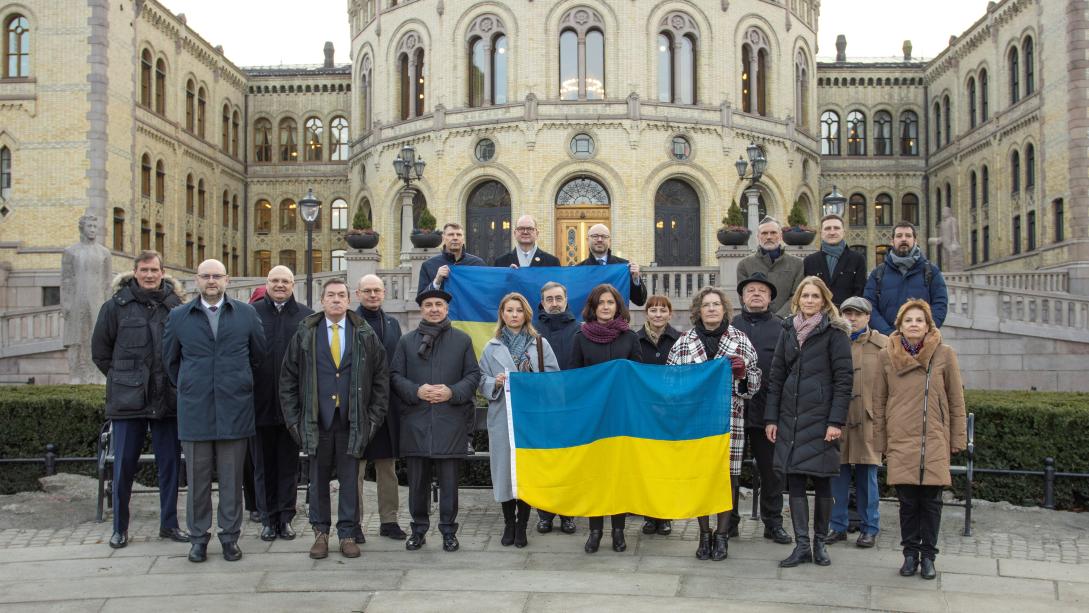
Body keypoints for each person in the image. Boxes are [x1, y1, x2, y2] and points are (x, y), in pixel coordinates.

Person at [163, 259, 266, 563]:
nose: (211, 281)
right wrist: (192, 385)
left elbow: (258, 357)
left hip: (235, 409)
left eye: (217, 276)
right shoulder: (179, 317)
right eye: (206, 276)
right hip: (196, 410)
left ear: (227, 280)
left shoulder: (246, 314)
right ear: (196, 280)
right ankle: (198, 538)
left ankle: (230, 538)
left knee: (233, 481)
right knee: (197, 480)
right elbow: (170, 361)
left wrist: (237, 382)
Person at [279, 278, 390, 560]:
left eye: (341, 295)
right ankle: (320, 533)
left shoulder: (363, 333)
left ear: (349, 299)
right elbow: (288, 379)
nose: (337, 300)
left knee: (351, 480)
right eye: (331, 295)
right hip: (318, 420)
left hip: (352, 420)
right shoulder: (306, 333)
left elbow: (380, 378)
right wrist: (295, 421)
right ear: (322, 300)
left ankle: (348, 534)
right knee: (317, 480)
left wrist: (373, 419)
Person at [91, 250, 186, 549]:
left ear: (162, 272)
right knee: (123, 468)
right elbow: (101, 352)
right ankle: (120, 528)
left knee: (170, 466)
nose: (148, 275)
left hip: (167, 398)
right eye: (143, 270)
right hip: (128, 401)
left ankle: (169, 524)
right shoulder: (115, 307)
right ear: (134, 272)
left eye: (154, 270)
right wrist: (126, 379)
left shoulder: (176, 307)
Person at [873, 299, 966, 581]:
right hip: (901, 438)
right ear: (900, 325)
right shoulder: (886, 356)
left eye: (919, 320)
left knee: (932, 502)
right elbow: (879, 400)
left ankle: (929, 556)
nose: (914, 324)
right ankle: (910, 554)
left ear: (928, 326)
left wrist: (957, 437)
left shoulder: (944, 354)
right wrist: (881, 440)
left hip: (934, 437)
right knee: (908, 502)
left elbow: (955, 399)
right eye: (908, 320)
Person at [666, 287, 760, 561]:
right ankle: (704, 534)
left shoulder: (740, 340)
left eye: (716, 304)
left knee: (728, 480)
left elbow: (754, 383)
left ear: (724, 309)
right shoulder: (684, 342)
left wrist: (743, 375)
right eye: (706, 305)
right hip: (696, 422)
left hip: (730, 420)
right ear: (698, 310)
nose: (711, 309)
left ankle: (722, 535)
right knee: (700, 480)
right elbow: (671, 383)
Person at [764, 276, 852, 568]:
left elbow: (843, 381)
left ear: (825, 301)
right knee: (796, 480)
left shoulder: (835, 332)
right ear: (798, 299)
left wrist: (835, 421)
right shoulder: (787, 329)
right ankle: (801, 544)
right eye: (805, 296)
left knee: (823, 481)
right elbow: (776, 375)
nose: (810, 301)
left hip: (822, 417)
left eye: (816, 296)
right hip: (791, 416)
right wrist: (771, 417)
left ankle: (819, 544)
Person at [391, 289, 481, 552]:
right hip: (416, 422)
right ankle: (418, 530)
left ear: (446, 308)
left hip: (450, 421)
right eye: (428, 305)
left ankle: (448, 532)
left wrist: (451, 392)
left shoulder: (462, 340)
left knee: (449, 483)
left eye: (438, 304)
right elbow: (395, 376)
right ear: (422, 309)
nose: (433, 309)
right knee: (416, 483)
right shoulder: (407, 341)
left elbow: (473, 375)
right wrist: (416, 391)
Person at [478, 292, 560, 548]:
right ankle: (508, 524)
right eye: (509, 310)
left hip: (531, 418)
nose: (514, 315)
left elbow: (554, 379)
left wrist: (533, 376)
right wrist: (496, 382)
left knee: (524, 472)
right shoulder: (491, 348)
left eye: (518, 310)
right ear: (502, 315)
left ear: (526, 314)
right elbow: (480, 381)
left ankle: (522, 525)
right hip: (503, 416)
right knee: (504, 471)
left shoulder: (539, 344)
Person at [570, 283, 643, 554]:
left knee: (619, 475)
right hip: (592, 418)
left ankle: (619, 531)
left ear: (618, 306)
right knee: (595, 476)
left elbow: (638, 375)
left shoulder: (630, 338)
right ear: (593, 306)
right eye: (600, 302)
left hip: (622, 417)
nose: (605, 306)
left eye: (610, 302)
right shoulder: (581, 336)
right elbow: (574, 378)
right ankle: (595, 531)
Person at [249, 266, 312, 542]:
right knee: (262, 466)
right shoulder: (251, 314)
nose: (280, 285)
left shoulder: (306, 316)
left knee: (289, 466)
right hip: (259, 403)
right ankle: (267, 519)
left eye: (285, 281)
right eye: (275, 281)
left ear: (293, 285)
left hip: (292, 406)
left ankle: (285, 517)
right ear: (267, 283)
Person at [730, 272, 792, 545]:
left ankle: (773, 522)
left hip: (768, 411)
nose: (756, 294)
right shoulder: (730, 326)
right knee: (730, 470)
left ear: (770, 298)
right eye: (750, 290)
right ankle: (728, 521)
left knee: (772, 470)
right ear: (742, 297)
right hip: (735, 411)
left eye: (762, 291)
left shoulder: (782, 328)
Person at [827, 296, 887, 549]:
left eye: (857, 314)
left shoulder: (884, 344)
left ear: (868, 317)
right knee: (836, 476)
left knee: (867, 477)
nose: (852, 318)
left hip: (868, 419)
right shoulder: (831, 340)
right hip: (838, 418)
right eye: (847, 313)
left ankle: (869, 527)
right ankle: (837, 526)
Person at [352, 274, 408, 542]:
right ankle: (354, 523)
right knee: (356, 470)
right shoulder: (349, 323)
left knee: (387, 469)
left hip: (386, 407)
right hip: (357, 407)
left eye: (377, 291)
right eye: (367, 291)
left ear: (384, 293)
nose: (373, 295)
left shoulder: (392, 324)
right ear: (357, 294)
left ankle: (389, 520)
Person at [533, 281, 579, 535]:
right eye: (549, 299)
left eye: (558, 298)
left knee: (569, 463)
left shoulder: (578, 329)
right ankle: (545, 514)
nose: (554, 303)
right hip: (541, 408)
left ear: (566, 299)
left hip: (570, 407)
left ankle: (568, 514)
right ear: (542, 302)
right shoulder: (533, 329)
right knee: (545, 463)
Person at [636, 295, 682, 537]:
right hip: (644, 411)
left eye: (662, 310)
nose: (657, 314)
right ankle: (649, 515)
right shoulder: (635, 340)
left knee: (666, 465)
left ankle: (665, 516)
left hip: (668, 411)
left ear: (669, 314)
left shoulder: (679, 340)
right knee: (646, 465)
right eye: (652, 310)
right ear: (646, 314)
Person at [863, 221, 948, 335]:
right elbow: (869, 306)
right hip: (887, 342)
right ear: (892, 241)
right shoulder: (878, 273)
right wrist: (888, 333)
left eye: (908, 235)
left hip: (922, 342)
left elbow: (940, 304)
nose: (904, 239)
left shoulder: (931, 271)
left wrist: (925, 330)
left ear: (915, 240)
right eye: (899, 236)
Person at [736, 217, 804, 317]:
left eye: (773, 233)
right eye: (764, 233)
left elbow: (797, 295)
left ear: (780, 236)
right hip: (756, 322)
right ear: (758, 237)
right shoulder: (744, 265)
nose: (769, 237)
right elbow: (744, 296)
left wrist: (779, 318)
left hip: (787, 323)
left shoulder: (797, 264)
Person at [803, 214, 867, 306]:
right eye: (827, 228)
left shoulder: (857, 259)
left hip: (846, 315)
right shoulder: (810, 261)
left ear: (844, 232)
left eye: (836, 228)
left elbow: (860, 291)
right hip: (817, 315)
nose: (832, 232)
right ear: (821, 233)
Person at [576, 224, 647, 306]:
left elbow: (640, 301)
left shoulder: (624, 266)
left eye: (604, 236)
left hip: (617, 318)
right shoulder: (579, 270)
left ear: (609, 240)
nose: (599, 239)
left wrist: (635, 278)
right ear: (587, 240)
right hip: (588, 318)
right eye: (595, 236)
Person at [417, 222, 486, 293]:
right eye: (451, 234)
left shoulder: (477, 264)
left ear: (463, 239)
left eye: (459, 235)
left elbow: (485, 292)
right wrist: (436, 282)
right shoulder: (429, 265)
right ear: (443, 238)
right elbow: (421, 300)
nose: (455, 238)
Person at [493, 215, 561, 268]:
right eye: (521, 228)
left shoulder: (552, 262)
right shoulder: (500, 262)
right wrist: (508, 275)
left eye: (530, 229)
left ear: (537, 233)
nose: (525, 232)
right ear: (514, 233)